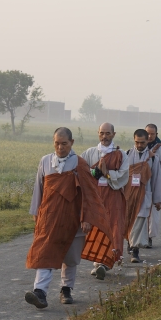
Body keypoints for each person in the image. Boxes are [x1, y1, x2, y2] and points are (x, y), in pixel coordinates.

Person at [25, 127, 112, 308]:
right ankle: (39, 292)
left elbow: (89, 193)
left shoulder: (79, 164)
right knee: (45, 253)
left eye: (64, 144)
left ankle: (66, 289)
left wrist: (86, 217)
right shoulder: (45, 161)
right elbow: (38, 189)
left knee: (70, 257)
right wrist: (36, 213)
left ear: (71, 143)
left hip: (73, 219)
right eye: (57, 143)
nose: (60, 147)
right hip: (49, 218)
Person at [81, 122, 128, 280]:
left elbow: (123, 175)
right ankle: (97, 262)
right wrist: (96, 171)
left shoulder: (121, 154)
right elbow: (82, 172)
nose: (104, 136)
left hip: (113, 195)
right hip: (95, 196)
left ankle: (107, 263)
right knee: (96, 227)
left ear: (114, 134)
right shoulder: (89, 153)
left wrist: (107, 174)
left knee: (113, 227)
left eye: (108, 133)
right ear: (98, 133)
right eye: (102, 133)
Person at [124, 129, 161, 263]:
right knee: (129, 221)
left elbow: (157, 179)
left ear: (147, 141)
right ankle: (130, 242)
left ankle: (135, 250)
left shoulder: (153, 158)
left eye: (142, 142)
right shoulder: (126, 155)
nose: (139, 145)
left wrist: (157, 200)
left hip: (144, 195)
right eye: (137, 142)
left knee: (139, 221)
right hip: (128, 195)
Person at [144, 124, 161, 248]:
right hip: (142, 185)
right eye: (147, 133)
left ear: (156, 134)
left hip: (156, 183)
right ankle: (139, 237)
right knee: (140, 212)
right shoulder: (138, 147)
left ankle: (149, 237)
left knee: (154, 212)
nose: (150, 136)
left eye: (152, 134)